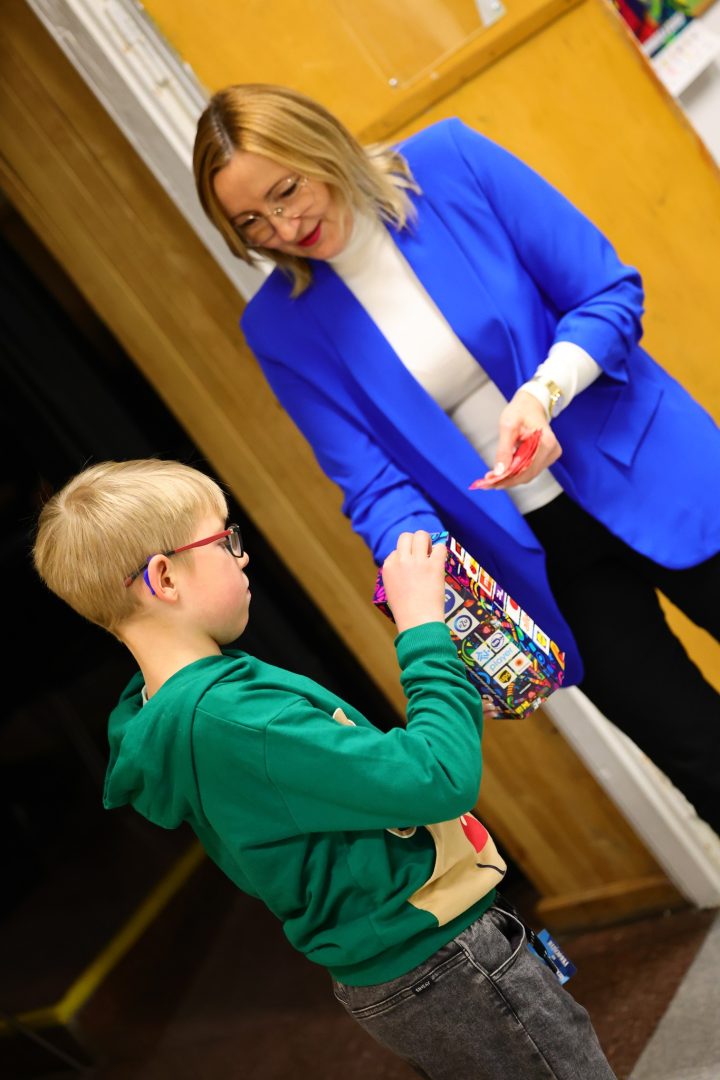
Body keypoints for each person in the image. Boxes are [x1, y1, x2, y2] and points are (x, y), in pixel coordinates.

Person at [192, 83, 720, 833]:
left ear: (323, 147)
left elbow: (607, 294)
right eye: (252, 221)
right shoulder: (279, 327)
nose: (283, 226)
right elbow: (373, 485)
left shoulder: (451, 162)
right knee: (699, 754)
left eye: (287, 191)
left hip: (656, 472)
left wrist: (544, 393)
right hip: (539, 558)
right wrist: (421, 586)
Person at [32, 457, 615, 1080]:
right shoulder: (234, 719)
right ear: (165, 577)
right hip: (441, 956)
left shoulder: (171, 712)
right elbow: (437, 779)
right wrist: (424, 631)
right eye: (224, 541)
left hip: (414, 960)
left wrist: (450, 687)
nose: (242, 557)